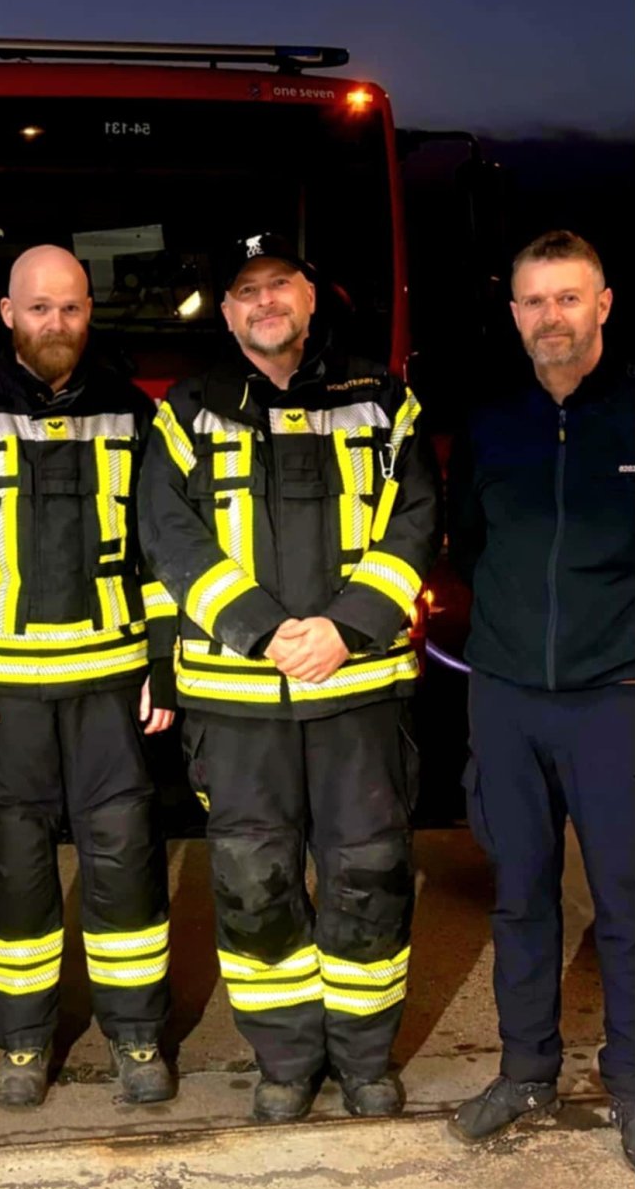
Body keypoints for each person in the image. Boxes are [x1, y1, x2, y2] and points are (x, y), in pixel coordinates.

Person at [138, 232, 440, 1123]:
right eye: (246, 291)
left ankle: (364, 1062)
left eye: (281, 285)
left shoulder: (385, 402)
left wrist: (346, 631)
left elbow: (416, 522)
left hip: (358, 695)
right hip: (239, 707)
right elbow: (170, 538)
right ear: (225, 313)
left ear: (310, 299)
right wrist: (266, 633)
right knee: (252, 882)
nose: (265, 302)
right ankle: (285, 1062)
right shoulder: (186, 410)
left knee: (370, 874)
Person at [0, 244, 177, 1110]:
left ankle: (136, 1035)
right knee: (12, 872)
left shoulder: (136, 415)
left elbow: (164, 550)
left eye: (70, 308)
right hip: (1, 699)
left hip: (111, 692)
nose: (55, 324)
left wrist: (163, 670)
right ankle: (22, 1044)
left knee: (127, 863)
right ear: (6, 312)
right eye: (38, 308)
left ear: (88, 312)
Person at [447, 231, 635, 1168]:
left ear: (603, 304)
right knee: (519, 897)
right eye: (534, 301)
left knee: (628, 901)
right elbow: (467, 538)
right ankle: (526, 1070)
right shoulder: (491, 421)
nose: (551, 316)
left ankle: (633, 1083)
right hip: (509, 697)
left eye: (569, 298)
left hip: (617, 698)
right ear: (514, 314)